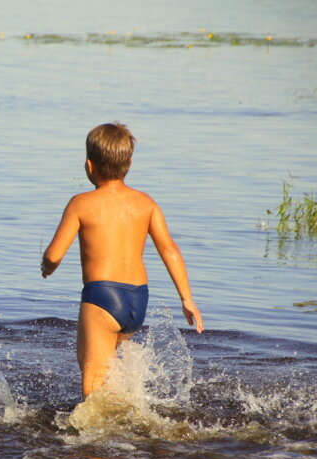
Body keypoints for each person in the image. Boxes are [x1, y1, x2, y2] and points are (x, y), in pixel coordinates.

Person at [41, 123, 204, 399]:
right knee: (111, 379)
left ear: (89, 166)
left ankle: (96, 441)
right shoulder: (146, 203)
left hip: (103, 297)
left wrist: (47, 267)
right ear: (128, 163)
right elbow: (170, 250)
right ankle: (125, 431)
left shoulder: (81, 203)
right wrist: (186, 299)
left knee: (93, 388)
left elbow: (54, 255)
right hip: (137, 300)